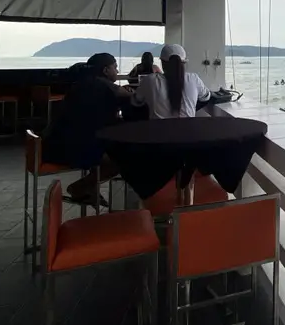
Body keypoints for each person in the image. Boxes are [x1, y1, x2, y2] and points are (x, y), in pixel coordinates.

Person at [42, 53, 133, 206]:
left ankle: (89, 190)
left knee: (114, 151)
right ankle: (80, 188)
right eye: (115, 67)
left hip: (55, 144)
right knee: (121, 160)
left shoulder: (84, 84)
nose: (117, 71)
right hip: (69, 149)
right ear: (105, 70)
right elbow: (133, 99)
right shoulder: (103, 86)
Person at [133, 44, 211, 119]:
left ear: (162, 63)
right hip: (188, 131)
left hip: (158, 131)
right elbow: (206, 97)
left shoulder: (150, 80)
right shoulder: (194, 79)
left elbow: (136, 101)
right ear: (184, 63)